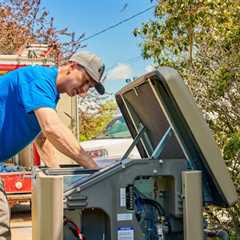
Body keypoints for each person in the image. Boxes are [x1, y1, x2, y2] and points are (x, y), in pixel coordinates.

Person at [0, 51, 105, 239]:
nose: (84, 90)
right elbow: (51, 128)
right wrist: (94, 169)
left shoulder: (49, 94)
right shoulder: (38, 79)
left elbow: (42, 139)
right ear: (72, 66)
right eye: (86, 81)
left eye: (90, 86)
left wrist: (59, 182)